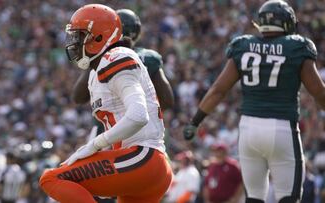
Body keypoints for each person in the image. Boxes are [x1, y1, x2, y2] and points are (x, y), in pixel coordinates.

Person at [183, 0, 325, 202]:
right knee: (289, 197)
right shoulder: (297, 47)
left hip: (248, 129)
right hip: (282, 128)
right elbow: (318, 91)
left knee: (254, 197)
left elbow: (218, 90)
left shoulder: (243, 46)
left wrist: (195, 121)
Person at [39, 4, 173, 203]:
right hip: (146, 164)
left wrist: (94, 145)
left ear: (99, 37)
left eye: (80, 36)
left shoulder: (115, 56)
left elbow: (138, 115)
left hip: (145, 158)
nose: (74, 42)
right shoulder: (97, 70)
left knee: (51, 178)